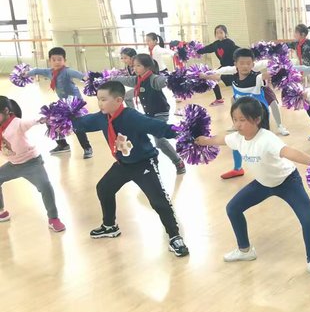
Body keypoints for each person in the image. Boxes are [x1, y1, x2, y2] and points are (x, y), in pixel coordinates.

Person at [195, 97, 310, 281]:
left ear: (257, 119)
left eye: (242, 120)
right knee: (233, 208)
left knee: (308, 219)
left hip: (288, 182)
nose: (237, 124)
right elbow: (220, 139)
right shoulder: (237, 138)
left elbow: (289, 152)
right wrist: (203, 140)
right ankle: (245, 250)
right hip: (263, 184)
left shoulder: (267, 138)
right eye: (235, 119)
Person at [72, 81, 188, 257]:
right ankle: (110, 226)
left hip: (144, 164)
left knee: (158, 201)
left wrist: (183, 131)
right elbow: (83, 123)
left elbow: (157, 127)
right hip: (123, 164)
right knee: (104, 188)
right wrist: (60, 119)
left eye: (103, 99)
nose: (100, 103)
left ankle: (175, 237)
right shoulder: (102, 117)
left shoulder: (131, 116)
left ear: (119, 100)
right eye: (98, 99)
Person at [203, 48, 279, 179]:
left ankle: (271, 167)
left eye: (248, 63)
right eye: (242, 63)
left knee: (263, 142)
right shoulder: (233, 78)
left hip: (258, 117)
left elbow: (269, 73)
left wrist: (277, 64)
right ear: (236, 64)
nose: (245, 66)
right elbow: (216, 77)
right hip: (242, 117)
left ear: (253, 64)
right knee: (236, 140)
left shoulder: (257, 77)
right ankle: (238, 169)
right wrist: (201, 75)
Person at [110, 54, 186, 175]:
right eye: (134, 66)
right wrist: (110, 78)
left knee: (160, 141)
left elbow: (163, 80)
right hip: (149, 115)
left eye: (138, 66)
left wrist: (172, 80)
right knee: (137, 133)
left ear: (147, 67)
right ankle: (146, 163)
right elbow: (124, 80)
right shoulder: (137, 80)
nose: (135, 68)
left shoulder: (154, 79)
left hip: (160, 113)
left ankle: (178, 162)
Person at [0, 96, 65, 232]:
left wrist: (42, 119)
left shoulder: (17, 123)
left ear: (6, 111)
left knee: (45, 186)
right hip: (13, 164)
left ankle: (53, 218)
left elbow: (30, 122)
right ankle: (1, 212)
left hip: (32, 164)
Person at [26, 47, 94, 159]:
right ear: (50, 61)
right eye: (54, 60)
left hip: (75, 104)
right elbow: (37, 70)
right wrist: (26, 74)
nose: (57, 62)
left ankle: (87, 148)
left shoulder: (67, 71)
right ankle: (63, 145)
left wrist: (86, 78)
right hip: (63, 104)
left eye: (59, 59)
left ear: (64, 60)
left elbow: (79, 75)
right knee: (51, 119)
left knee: (77, 126)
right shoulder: (49, 72)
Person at [197, 24, 238, 107]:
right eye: (217, 33)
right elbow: (206, 49)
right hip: (223, 67)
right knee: (212, 79)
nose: (219, 34)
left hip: (232, 67)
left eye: (221, 32)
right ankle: (219, 99)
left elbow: (238, 50)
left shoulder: (230, 43)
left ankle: (239, 98)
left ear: (225, 33)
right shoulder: (216, 44)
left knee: (235, 83)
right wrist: (195, 50)